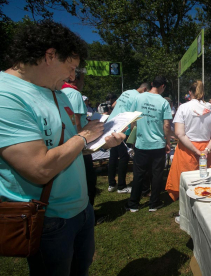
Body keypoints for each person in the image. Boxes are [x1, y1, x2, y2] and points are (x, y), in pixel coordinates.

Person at [0, 20, 125, 275]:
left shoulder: (57, 93)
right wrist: (84, 136)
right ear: (49, 56)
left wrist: (99, 143)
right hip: (48, 218)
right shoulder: (6, 95)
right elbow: (39, 169)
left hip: (81, 209)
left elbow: (70, 148)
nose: (72, 77)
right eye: (71, 68)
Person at [165, 80, 211, 201]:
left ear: (190, 92)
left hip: (186, 148)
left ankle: (183, 212)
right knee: (203, 182)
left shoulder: (183, 108)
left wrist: (195, 150)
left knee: (187, 183)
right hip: (206, 148)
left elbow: (179, 133)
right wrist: (206, 150)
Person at [125, 76, 172, 212]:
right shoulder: (164, 102)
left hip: (141, 143)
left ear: (152, 84)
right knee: (157, 174)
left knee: (138, 174)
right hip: (158, 144)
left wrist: (133, 138)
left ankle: (133, 203)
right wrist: (168, 141)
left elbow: (133, 120)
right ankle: (154, 203)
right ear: (163, 86)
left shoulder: (138, 98)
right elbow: (167, 125)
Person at [61, 68, 97, 206]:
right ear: (74, 78)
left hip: (66, 142)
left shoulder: (59, 92)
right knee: (88, 180)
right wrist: (85, 139)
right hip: (80, 144)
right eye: (82, 79)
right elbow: (76, 122)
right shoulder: (75, 94)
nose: (83, 83)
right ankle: (89, 212)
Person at [107, 82, 150, 193]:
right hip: (122, 127)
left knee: (113, 156)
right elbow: (134, 116)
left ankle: (111, 184)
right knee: (124, 157)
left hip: (111, 124)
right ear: (144, 89)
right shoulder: (138, 97)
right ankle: (121, 186)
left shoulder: (126, 92)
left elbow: (113, 105)